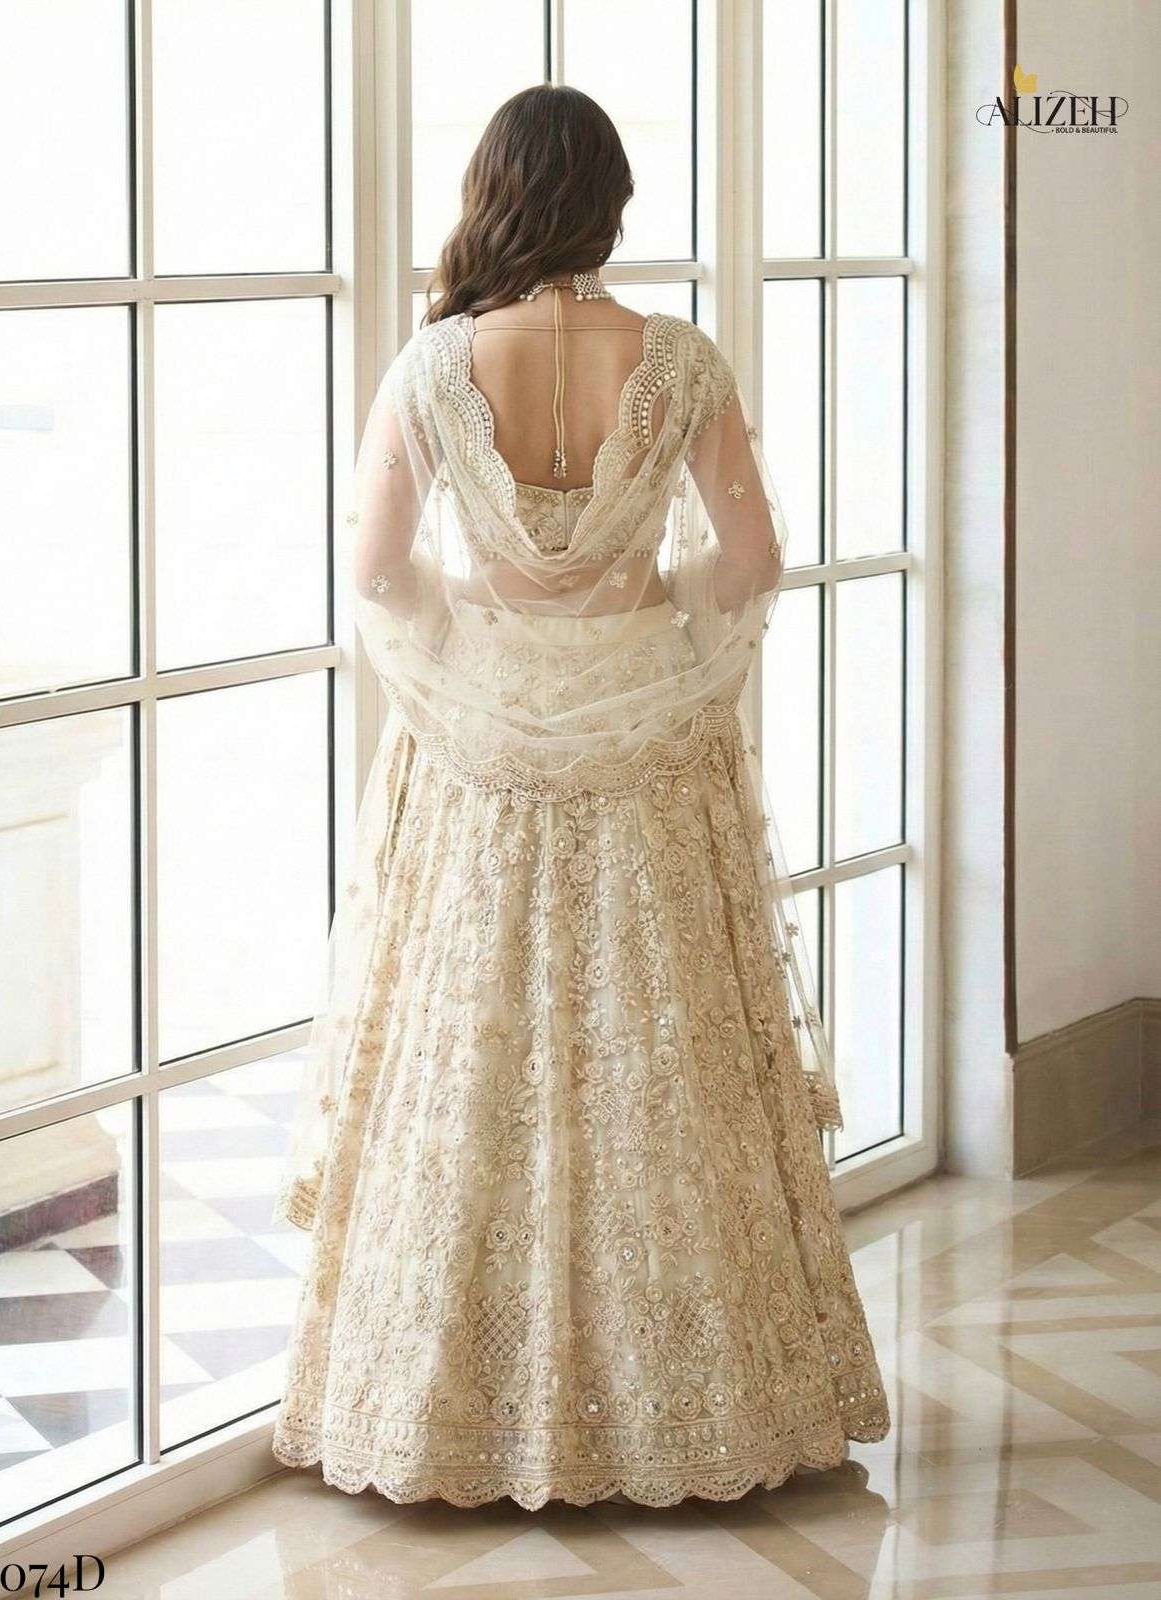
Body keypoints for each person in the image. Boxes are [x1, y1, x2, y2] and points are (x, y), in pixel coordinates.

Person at [272, 82, 891, 1509]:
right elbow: (753, 561)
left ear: (493, 196)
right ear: (608, 203)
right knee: (661, 1054)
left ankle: (451, 1409)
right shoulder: (676, 361)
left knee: (473, 1053)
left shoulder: (434, 367)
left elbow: (374, 570)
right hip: (648, 739)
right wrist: (649, 613)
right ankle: (696, 1406)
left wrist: (478, 634)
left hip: (481, 752)